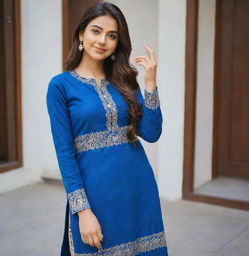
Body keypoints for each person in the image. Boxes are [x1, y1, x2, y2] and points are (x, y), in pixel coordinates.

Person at [46, 1, 169, 255]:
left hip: (137, 189)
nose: (102, 40)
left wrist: (150, 85)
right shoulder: (60, 86)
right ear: (82, 34)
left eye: (111, 35)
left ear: (117, 43)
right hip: (95, 195)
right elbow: (65, 154)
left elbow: (152, 133)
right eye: (96, 31)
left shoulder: (125, 80)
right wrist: (83, 211)